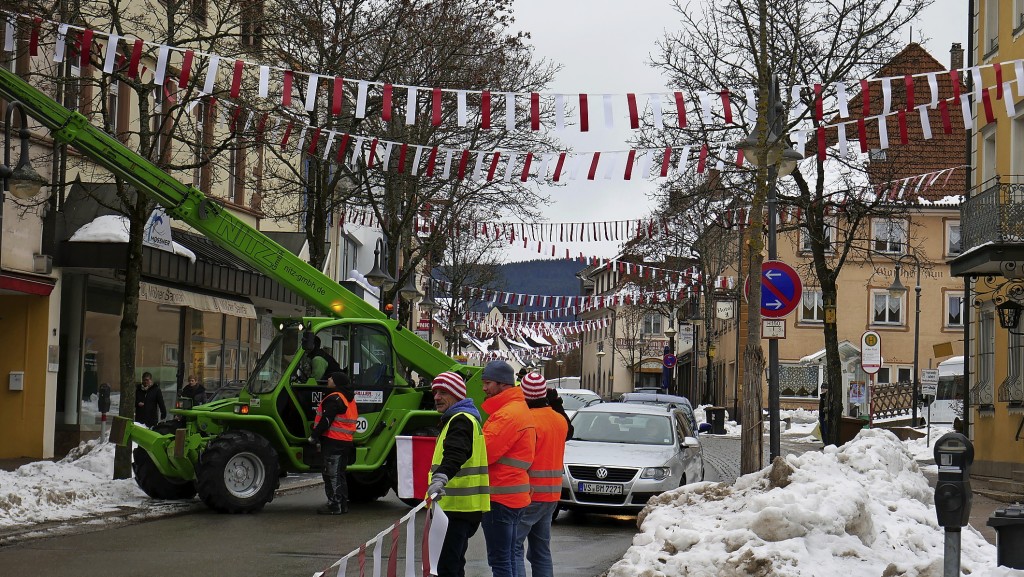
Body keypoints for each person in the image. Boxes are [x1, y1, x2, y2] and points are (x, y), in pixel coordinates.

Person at [425, 372, 490, 577]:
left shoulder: (461, 420)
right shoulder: (463, 419)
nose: (436, 397)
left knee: (447, 567)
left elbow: (456, 453)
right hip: (461, 508)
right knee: (453, 564)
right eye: (435, 392)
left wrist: (440, 478)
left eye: (443, 392)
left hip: (455, 509)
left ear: (457, 396)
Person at [479, 360, 536, 577]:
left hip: (500, 497)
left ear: (503, 384)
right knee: (509, 557)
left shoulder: (506, 415)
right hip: (514, 495)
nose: (484, 388)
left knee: (500, 561)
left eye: (488, 383)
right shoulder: (518, 409)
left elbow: (486, 452)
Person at [513, 372, 567, 577]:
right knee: (541, 552)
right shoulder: (559, 420)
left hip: (528, 492)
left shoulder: (527, 420)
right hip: (552, 495)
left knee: (513, 547)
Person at [309, 371, 358, 514]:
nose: (328, 379)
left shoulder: (334, 398)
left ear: (336, 382)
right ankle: (342, 504)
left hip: (333, 441)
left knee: (331, 474)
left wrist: (314, 436)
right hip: (346, 441)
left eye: (331, 378)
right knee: (340, 473)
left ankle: (334, 505)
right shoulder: (349, 399)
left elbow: (326, 420)